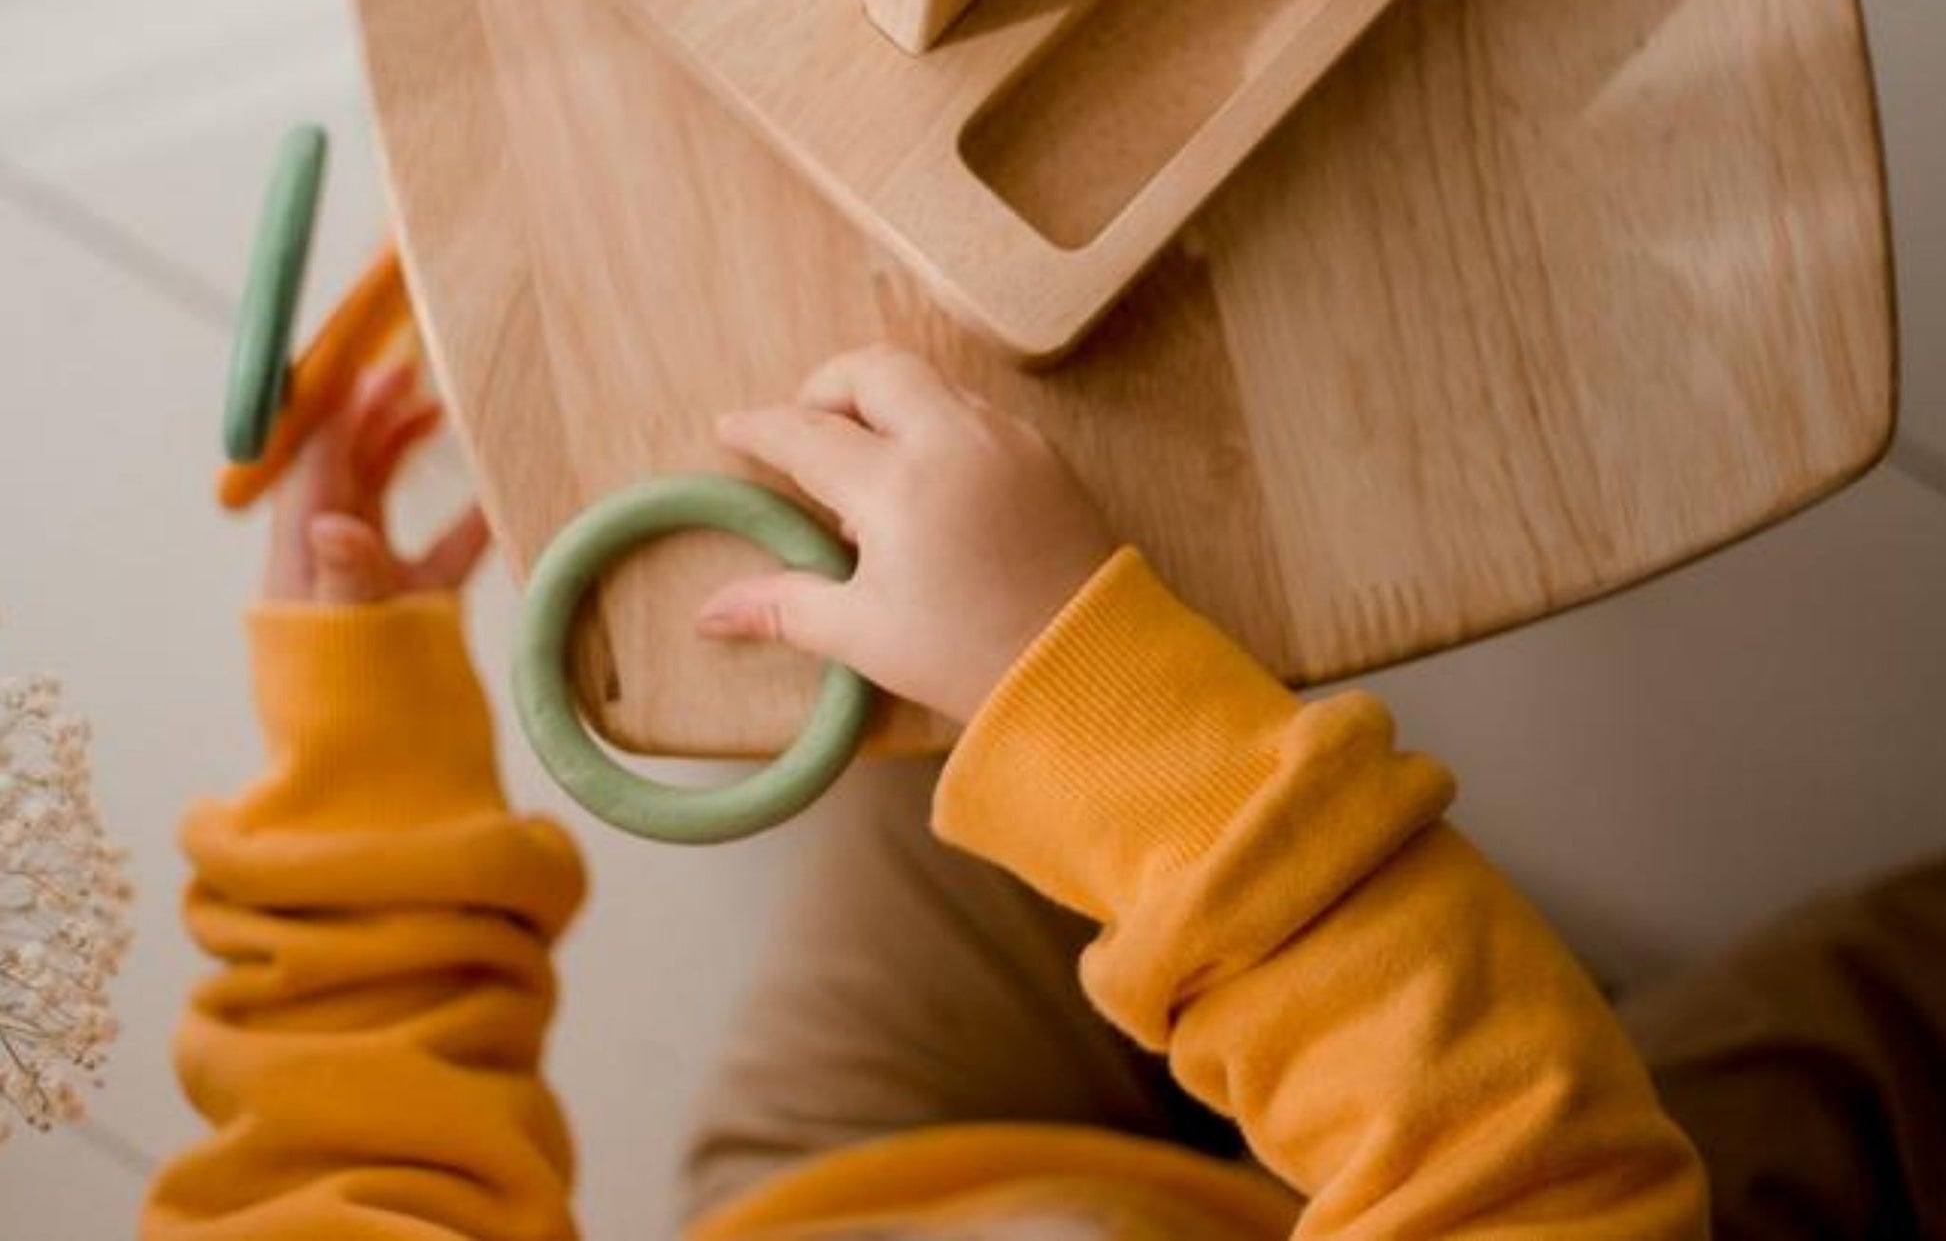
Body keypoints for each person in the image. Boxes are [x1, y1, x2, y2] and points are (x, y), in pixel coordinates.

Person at [137, 342, 1937, 1238]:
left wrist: (359, 769)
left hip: (866, 1193)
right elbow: (1517, 1174)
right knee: (1869, 1021)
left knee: (894, 690)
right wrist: (1091, 708)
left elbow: (330, 1188)